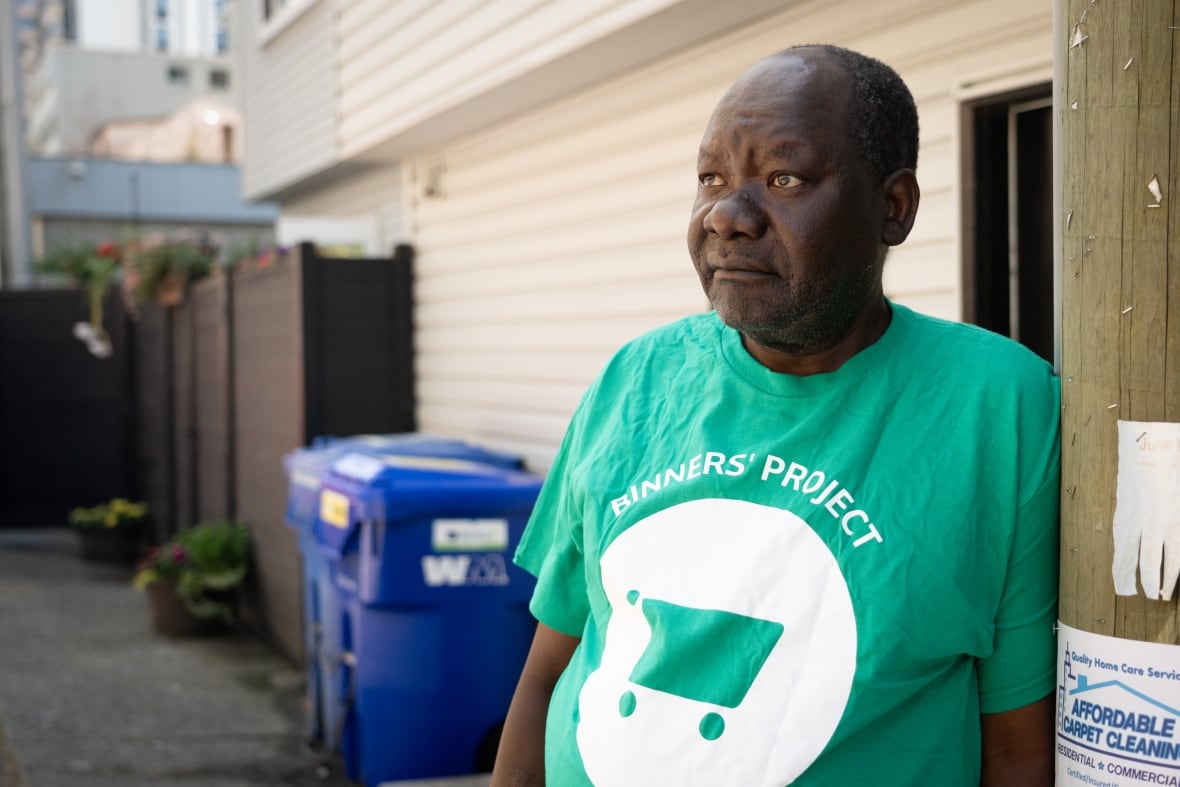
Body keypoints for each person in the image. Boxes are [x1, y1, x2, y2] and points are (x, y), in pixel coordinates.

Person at [491, 43, 1059, 787]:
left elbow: (1019, 744)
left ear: (894, 207)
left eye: (784, 177)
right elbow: (547, 672)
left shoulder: (1002, 404)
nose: (726, 215)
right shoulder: (633, 380)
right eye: (711, 179)